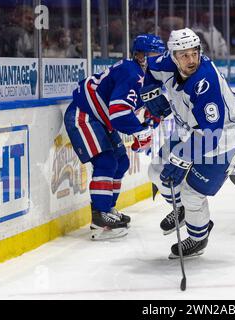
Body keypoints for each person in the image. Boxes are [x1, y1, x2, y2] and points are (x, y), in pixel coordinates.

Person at [141, 28, 235, 258]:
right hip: (191, 131)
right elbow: (150, 69)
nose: (191, 60)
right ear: (173, 56)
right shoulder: (166, 63)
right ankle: (180, 209)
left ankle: (198, 238)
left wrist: (181, 161)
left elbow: (210, 135)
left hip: (225, 140)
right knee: (156, 171)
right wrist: (149, 91)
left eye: (194, 53)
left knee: (192, 192)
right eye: (184, 55)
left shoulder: (205, 82)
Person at [64, 34, 166, 241]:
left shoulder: (149, 77)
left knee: (121, 162)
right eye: (154, 55)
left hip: (100, 119)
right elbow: (119, 113)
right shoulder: (132, 73)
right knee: (106, 161)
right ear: (141, 56)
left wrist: (150, 122)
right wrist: (139, 131)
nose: (159, 60)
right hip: (84, 115)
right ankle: (100, 218)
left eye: (160, 55)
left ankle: (108, 210)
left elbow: (151, 109)